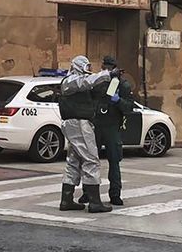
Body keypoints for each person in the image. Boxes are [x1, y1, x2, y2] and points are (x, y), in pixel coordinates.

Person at [57, 55, 117, 213]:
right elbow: (85, 82)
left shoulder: (79, 82)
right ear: (79, 66)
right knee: (91, 160)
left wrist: (110, 81)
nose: (89, 70)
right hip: (79, 123)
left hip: (79, 123)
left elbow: (98, 91)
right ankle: (95, 202)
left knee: (73, 161)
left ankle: (67, 199)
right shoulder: (71, 80)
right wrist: (107, 74)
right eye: (87, 67)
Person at [79, 55, 137, 206]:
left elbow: (129, 107)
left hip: (111, 126)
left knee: (114, 162)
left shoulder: (121, 84)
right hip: (96, 124)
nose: (106, 70)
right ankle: (88, 192)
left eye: (109, 68)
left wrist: (118, 101)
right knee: (91, 161)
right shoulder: (97, 82)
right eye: (104, 67)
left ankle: (115, 194)